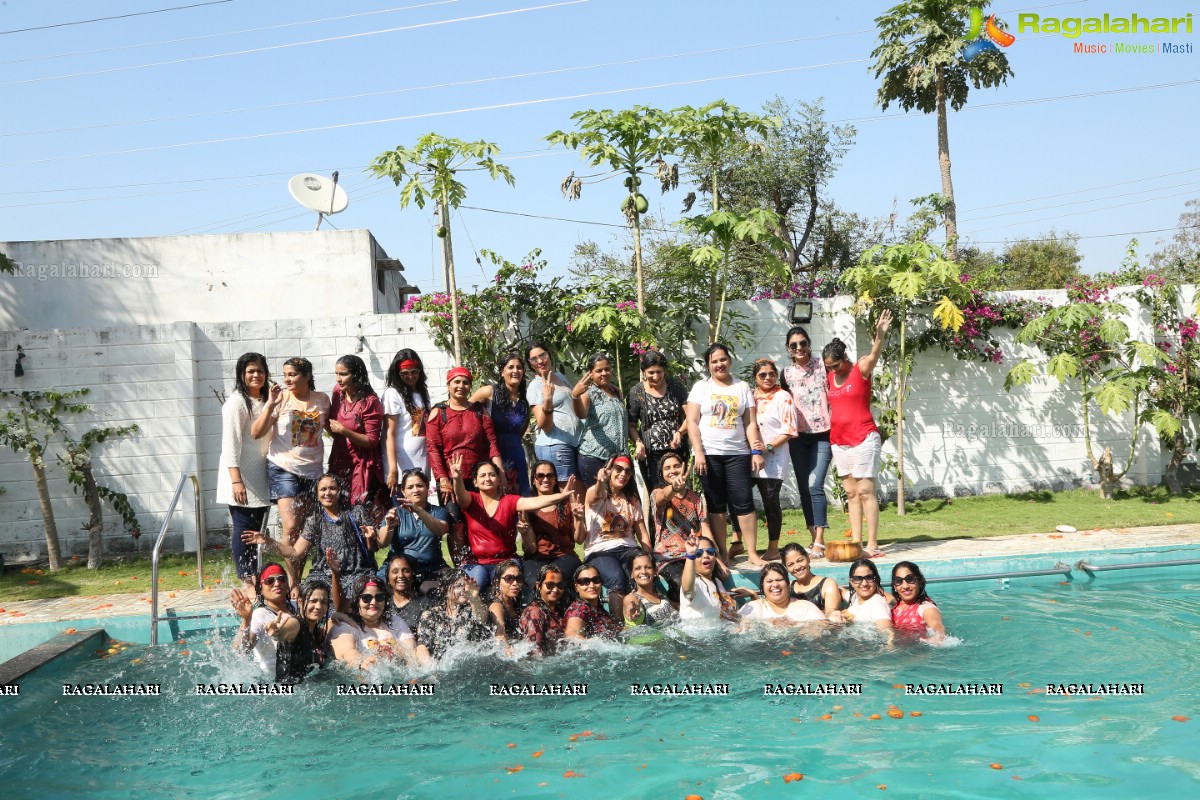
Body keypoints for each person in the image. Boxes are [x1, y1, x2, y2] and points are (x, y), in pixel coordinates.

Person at [242, 473, 384, 609]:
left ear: (340, 491)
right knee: (309, 598)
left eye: (332, 488)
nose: (327, 493)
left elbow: (374, 547)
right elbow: (295, 552)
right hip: (324, 575)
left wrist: (371, 537)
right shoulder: (314, 520)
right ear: (317, 494)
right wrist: (268, 541)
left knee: (361, 597)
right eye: (323, 489)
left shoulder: (356, 512)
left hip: (357, 573)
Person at [685, 343, 767, 565]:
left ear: (729, 360)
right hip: (709, 455)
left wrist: (756, 451)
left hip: (737, 454)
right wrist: (699, 452)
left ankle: (751, 552)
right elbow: (692, 422)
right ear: (709, 365)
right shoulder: (700, 388)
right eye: (714, 361)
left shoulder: (742, 387)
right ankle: (722, 552)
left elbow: (750, 423)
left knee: (744, 503)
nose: (719, 364)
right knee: (716, 505)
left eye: (723, 359)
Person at [252, 356, 330, 585]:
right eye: (285, 374)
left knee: (306, 529)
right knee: (292, 525)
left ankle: (301, 576)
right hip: (283, 467)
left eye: (292, 374)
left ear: (307, 376)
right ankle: (293, 582)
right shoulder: (280, 398)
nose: (287, 379)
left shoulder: (322, 400)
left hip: (313, 471)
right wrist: (271, 405)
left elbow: (331, 429)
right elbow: (256, 432)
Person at [450, 454, 578, 588]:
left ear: (499, 480)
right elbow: (460, 495)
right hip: (477, 563)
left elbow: (535, 501)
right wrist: (458, 478)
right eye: (483, 476)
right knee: (475, 585)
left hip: (506, 561)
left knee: (507, 583)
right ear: (475, 482)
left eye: (492, 475)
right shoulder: (471, 500)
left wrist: (562, 495)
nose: (487, 478)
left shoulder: (510, 501)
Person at [823, 310, 892, 557]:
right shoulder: (831, 376)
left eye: (835, 365)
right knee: (851, 493)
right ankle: (856, 544)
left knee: (865, 491)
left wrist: (879, 335)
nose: (832, 370)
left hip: (863, 436)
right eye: (828, 367)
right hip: (840, 441)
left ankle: (872, 544)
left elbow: (875, 354)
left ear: (844, 358)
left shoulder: (860, 368)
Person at [217, 352, 271, 588]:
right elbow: (230, 444)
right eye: (250, 371)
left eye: (260, 370)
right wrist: (236, 480)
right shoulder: (236, 402)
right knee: (243, 528)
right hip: (241, 477)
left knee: (257, 529)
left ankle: (256, 576)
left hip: (260, 474)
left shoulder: (267, 398)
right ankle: (246, 580)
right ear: (242, 375)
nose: (256, 375)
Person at [580, 454, 653, 623]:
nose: (623, 474)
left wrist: (648, 555)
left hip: (628, 548)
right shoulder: (596, 492)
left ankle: (646, 620)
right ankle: (618, 627)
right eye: (618, 469)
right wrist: (600, 481)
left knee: (642, 571)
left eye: (627, 471)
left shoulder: (632, 500)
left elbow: (641, 531)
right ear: (609, 471)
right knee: (617, 577)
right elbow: (596, 493)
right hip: (600, 551)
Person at [781, 325, 832, 558]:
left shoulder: (823, 365)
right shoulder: (786, 373)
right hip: (798, 438)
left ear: (809, 343)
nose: (799, 348)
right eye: (794, 345)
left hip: (824, 434)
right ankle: (813, 537)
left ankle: (820, 540)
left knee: (815, 485)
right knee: (804, 488)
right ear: (788, 349)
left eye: (802, 343)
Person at [427, 366, 504, 503]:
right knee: (456, 523)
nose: (461, 386)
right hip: (450, 480)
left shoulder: (480, 411)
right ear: (448, 384)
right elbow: (433, 448)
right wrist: (442, 478)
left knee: (481, 522)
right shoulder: (439, 412)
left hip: (480, 479)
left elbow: (492, 444)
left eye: (465, 382)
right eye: (456, 382)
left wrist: (500, 474)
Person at [751, 358, 798, 562]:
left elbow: (789, 430)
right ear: (755, 378)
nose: (768, 378)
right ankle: (740, 543)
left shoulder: (783, 397)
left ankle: (773, 548)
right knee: (741, 500)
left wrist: (768, 447)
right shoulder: (751, 397)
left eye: (771, 374)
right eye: (763, 375)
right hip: (750, 456)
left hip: (775, 456)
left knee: (770, 500)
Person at [626, 350, 689, 494]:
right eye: (651, 372)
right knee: (657, 491)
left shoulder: (675, 386)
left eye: (659, 372)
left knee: (679, 489)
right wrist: (638, 442)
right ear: (643, 372)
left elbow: (690, 416)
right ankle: (658, 517)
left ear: (664, 370)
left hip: (677, 450)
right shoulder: (637, 392)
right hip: (652, 454)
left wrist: (680, 432)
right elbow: (631, 425)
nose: (655, 376)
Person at [652, 452, 712, 601]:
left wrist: (719, 559)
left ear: (683, 468)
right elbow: (663, 497)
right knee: (681, 585)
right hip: (667, 557)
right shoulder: (657, 494)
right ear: (661, 473)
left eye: (676, 466)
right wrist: (674, 487)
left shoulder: (695, 498)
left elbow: (705, 529)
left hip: (694, 553)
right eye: (667, 468)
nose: (672, 471)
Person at [375, 469, 449, 590]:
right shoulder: (395, 512)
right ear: (403, 491)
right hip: (400, 569)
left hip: (431, 569)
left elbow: (441, 530)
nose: (415, 490)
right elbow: (382, 543)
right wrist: (389, 527)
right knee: (375, 588)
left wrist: (418, 510)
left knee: (450, 587)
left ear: (427, 488)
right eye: (410, 487)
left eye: (419, 485)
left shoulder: (438, 511)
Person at [328, 354, 385, 509]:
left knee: (358, 509)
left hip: (362, 463)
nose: (338, 379)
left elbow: (372, 441)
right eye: (337, 374)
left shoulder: (369, 401)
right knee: (338, 508)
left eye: (343, 374)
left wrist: (344, 431)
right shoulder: (337, 393)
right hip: (340, 459)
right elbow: (331, 423)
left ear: (357, 375)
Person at [470, 352, 532, 496]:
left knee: (519, 499)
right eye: (510, 367)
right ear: (502, 371)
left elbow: (521, 430)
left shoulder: (524, 400)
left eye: (519, 367)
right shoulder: (489, 392)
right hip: (493, 454)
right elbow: (466, 411)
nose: (515, 371)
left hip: (516, 455)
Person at [520, 460, 584, 591]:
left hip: (564, 555)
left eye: (550, 475)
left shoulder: (567, 504)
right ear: (533, 480)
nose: (545, 479)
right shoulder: (527, 506)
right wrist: (525, 532)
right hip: (537, 557)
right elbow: (531, 549)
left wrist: (579, 519)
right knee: (535, 582)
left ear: (555, 480)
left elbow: (579, 539)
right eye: (540, 476)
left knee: (555, 578)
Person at [330, 575, 417, 669]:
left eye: (379, 597)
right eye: (366, 598)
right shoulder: (346, 626)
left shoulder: (395, 622)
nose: (374, 602)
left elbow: (411, 653)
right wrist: (361, 662)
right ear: (357, 601)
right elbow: (347, 651)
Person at [525, 342, 580, 481]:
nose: (540, 361)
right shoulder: (535, 386)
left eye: (542, 355)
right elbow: (545, 425)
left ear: (549, 354)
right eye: (534, 359)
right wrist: (548, 400)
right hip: (555, 446)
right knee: (569, 496)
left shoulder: (560, 377)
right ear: (530, 364)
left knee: (577, 496)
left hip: (573, 443)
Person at [572, 352, 629, 487]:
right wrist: (575, 396)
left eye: (607, 369)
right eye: (599, 370)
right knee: (598, 502)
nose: (604, 373)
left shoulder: (615, 392)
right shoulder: (589, 393)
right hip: (594, 458)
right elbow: (582, 414)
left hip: (616, 459)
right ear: (591, 373)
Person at [230, 563, 296, 676]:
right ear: (260, 588)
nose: (277, 584)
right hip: (273, 680)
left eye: (282, 579)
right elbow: (242, 650)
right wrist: (246, 619)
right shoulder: (260, 615)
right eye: (269, 581)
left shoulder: (296, 606)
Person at [415, 571, 495, 663]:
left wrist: (474, 598)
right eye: (459, 586)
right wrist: (431, 669)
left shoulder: (473, 608)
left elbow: (481, 618)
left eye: (466, 586)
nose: (464, 589)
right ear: (445, 590)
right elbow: (422, 646)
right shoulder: (431, 615)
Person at [382, 349, 431, 490]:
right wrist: (392, 469)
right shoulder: (393, 394)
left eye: (414, 372)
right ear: (397, 374)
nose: (410, 376)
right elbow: (389, 433)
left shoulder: (422, 392)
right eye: (405, 373)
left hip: (421, 462)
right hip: (401, 464)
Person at [273, 579, 336, 685]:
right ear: (300, 601)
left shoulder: (317, 631)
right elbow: (284, 632)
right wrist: (277, 632)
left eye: (324, 602)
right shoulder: (296, 624)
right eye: (313, 601)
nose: (319, 606)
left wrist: (339, 616)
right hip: (288, 693)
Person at [678, 537, 746, 624]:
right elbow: (687, 589)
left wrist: (753, 595)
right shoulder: (696, 584)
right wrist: (690, 555)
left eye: (710, 551)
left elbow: (728, 614)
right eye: (698, 553)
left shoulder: (717, 582)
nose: (706, 555)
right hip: (694, 636)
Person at [738, 562, 826, 626]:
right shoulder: (754, 608)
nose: (775, 585)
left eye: (779, 580)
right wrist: (768, 623)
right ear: (762, 586)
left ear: (788, 584)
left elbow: (824, 628)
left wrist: (796, 625)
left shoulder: (805, 607)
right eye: (769, 581)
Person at [781, 542, 843, 621]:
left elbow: (832, 618)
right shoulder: (787, 589)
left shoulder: (827, 585)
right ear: (786, 568)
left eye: (800, 560)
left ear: (808, 558)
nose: (797, 567)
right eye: (790, 564)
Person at [518, 564, 569, 657]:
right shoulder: (534, 613)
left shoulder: (558, 610)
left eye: (560, 585)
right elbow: (534, 651)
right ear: (538, 585)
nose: (555, 589)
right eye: (550, 585)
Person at [563, 564, 623, 641]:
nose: (592, 585)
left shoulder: (597, 609)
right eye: (585, 581)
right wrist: (589, 645)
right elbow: (571, 634)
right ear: (576, 587)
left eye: (596, 580)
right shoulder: (579, 608)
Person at [890, 561, 945, 642]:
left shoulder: (926, 608)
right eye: (898, 581)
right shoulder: (896, 604)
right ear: (895, 586)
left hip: (917, 651)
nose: (905, 586)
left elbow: (937, 625)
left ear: (920, 582)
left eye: (910, 579)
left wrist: (938, 636)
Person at [622, 551, 678, 628]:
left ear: (655, 571)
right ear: (632, 573)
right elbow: (630, 604)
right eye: (638, 568)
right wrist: (632, 615)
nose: (643, 571)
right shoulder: (633, 598)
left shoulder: (662, 595)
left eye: (648, 567)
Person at [842, 558, 893, 633]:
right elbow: (841, 591)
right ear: (851, 582)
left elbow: (889, 634)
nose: (864, 583)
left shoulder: (877, 604)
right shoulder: (856, 597)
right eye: (858, 578)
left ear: (876, 580)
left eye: (869, 578)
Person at [384, 554, 430, 637]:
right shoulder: (383, 604)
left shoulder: (426, 604)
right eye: (395, 572)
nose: (401, 575)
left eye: (405, 571)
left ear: (412, 576)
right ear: (388, 579)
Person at [487, 558, 525, 649]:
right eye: (509, 578)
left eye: (518, 578)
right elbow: (500, 633)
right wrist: (508, 650)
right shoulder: (496, 606)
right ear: (497, 582)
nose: (515, 583)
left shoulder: (514, 602)